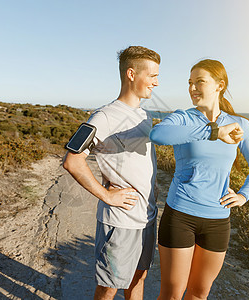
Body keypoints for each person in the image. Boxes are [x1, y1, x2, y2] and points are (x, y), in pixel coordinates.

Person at [149, 59, 249, 300]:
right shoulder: (183, 118)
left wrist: (243, 195)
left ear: (219, 85)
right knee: (172, 294)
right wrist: (214, 132)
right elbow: (158, 135)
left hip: (218, 221)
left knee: (199, 293)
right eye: (190, 83)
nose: (192, 88)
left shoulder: (240, 125)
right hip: (180, 215)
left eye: (199, 82)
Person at [63, 46, 160, 300]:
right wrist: (107, 196)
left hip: (147, 217)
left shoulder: (144, 116)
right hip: (120, 221)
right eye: (152, 76)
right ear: (131, 74)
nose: (156, 83)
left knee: (138, 280)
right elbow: (72, 161)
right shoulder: (104, 116)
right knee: (109, 288)